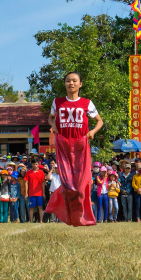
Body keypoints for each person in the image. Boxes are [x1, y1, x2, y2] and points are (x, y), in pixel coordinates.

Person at [45, 71, 103, 227]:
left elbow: (99, 121)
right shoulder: (57, 102)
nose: (71, 83)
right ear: (65, 83)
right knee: (66, 182)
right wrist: (54, 126)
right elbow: (50, 118)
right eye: (68, 81)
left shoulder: (86, 103)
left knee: (81, 183)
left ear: (80, 84)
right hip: (63, 144)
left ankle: (82, 215)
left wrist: (92, 132)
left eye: (74, 81)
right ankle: (67, 214)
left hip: (80, 145)